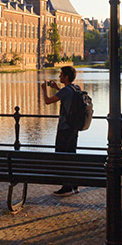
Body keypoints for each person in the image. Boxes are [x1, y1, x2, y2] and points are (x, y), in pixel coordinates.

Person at [42, 64, 82, 197]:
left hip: (64, 129)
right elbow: (66, 98)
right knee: (71, 156)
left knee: (61, 157)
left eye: (61, 75)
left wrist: (44, 90)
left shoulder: (65, 91)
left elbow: (48, 101)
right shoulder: (75, 88)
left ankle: (66, 187)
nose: (59, 76)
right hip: (74, 129)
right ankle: (74, 185)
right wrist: (56, 88)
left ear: (66, 77)